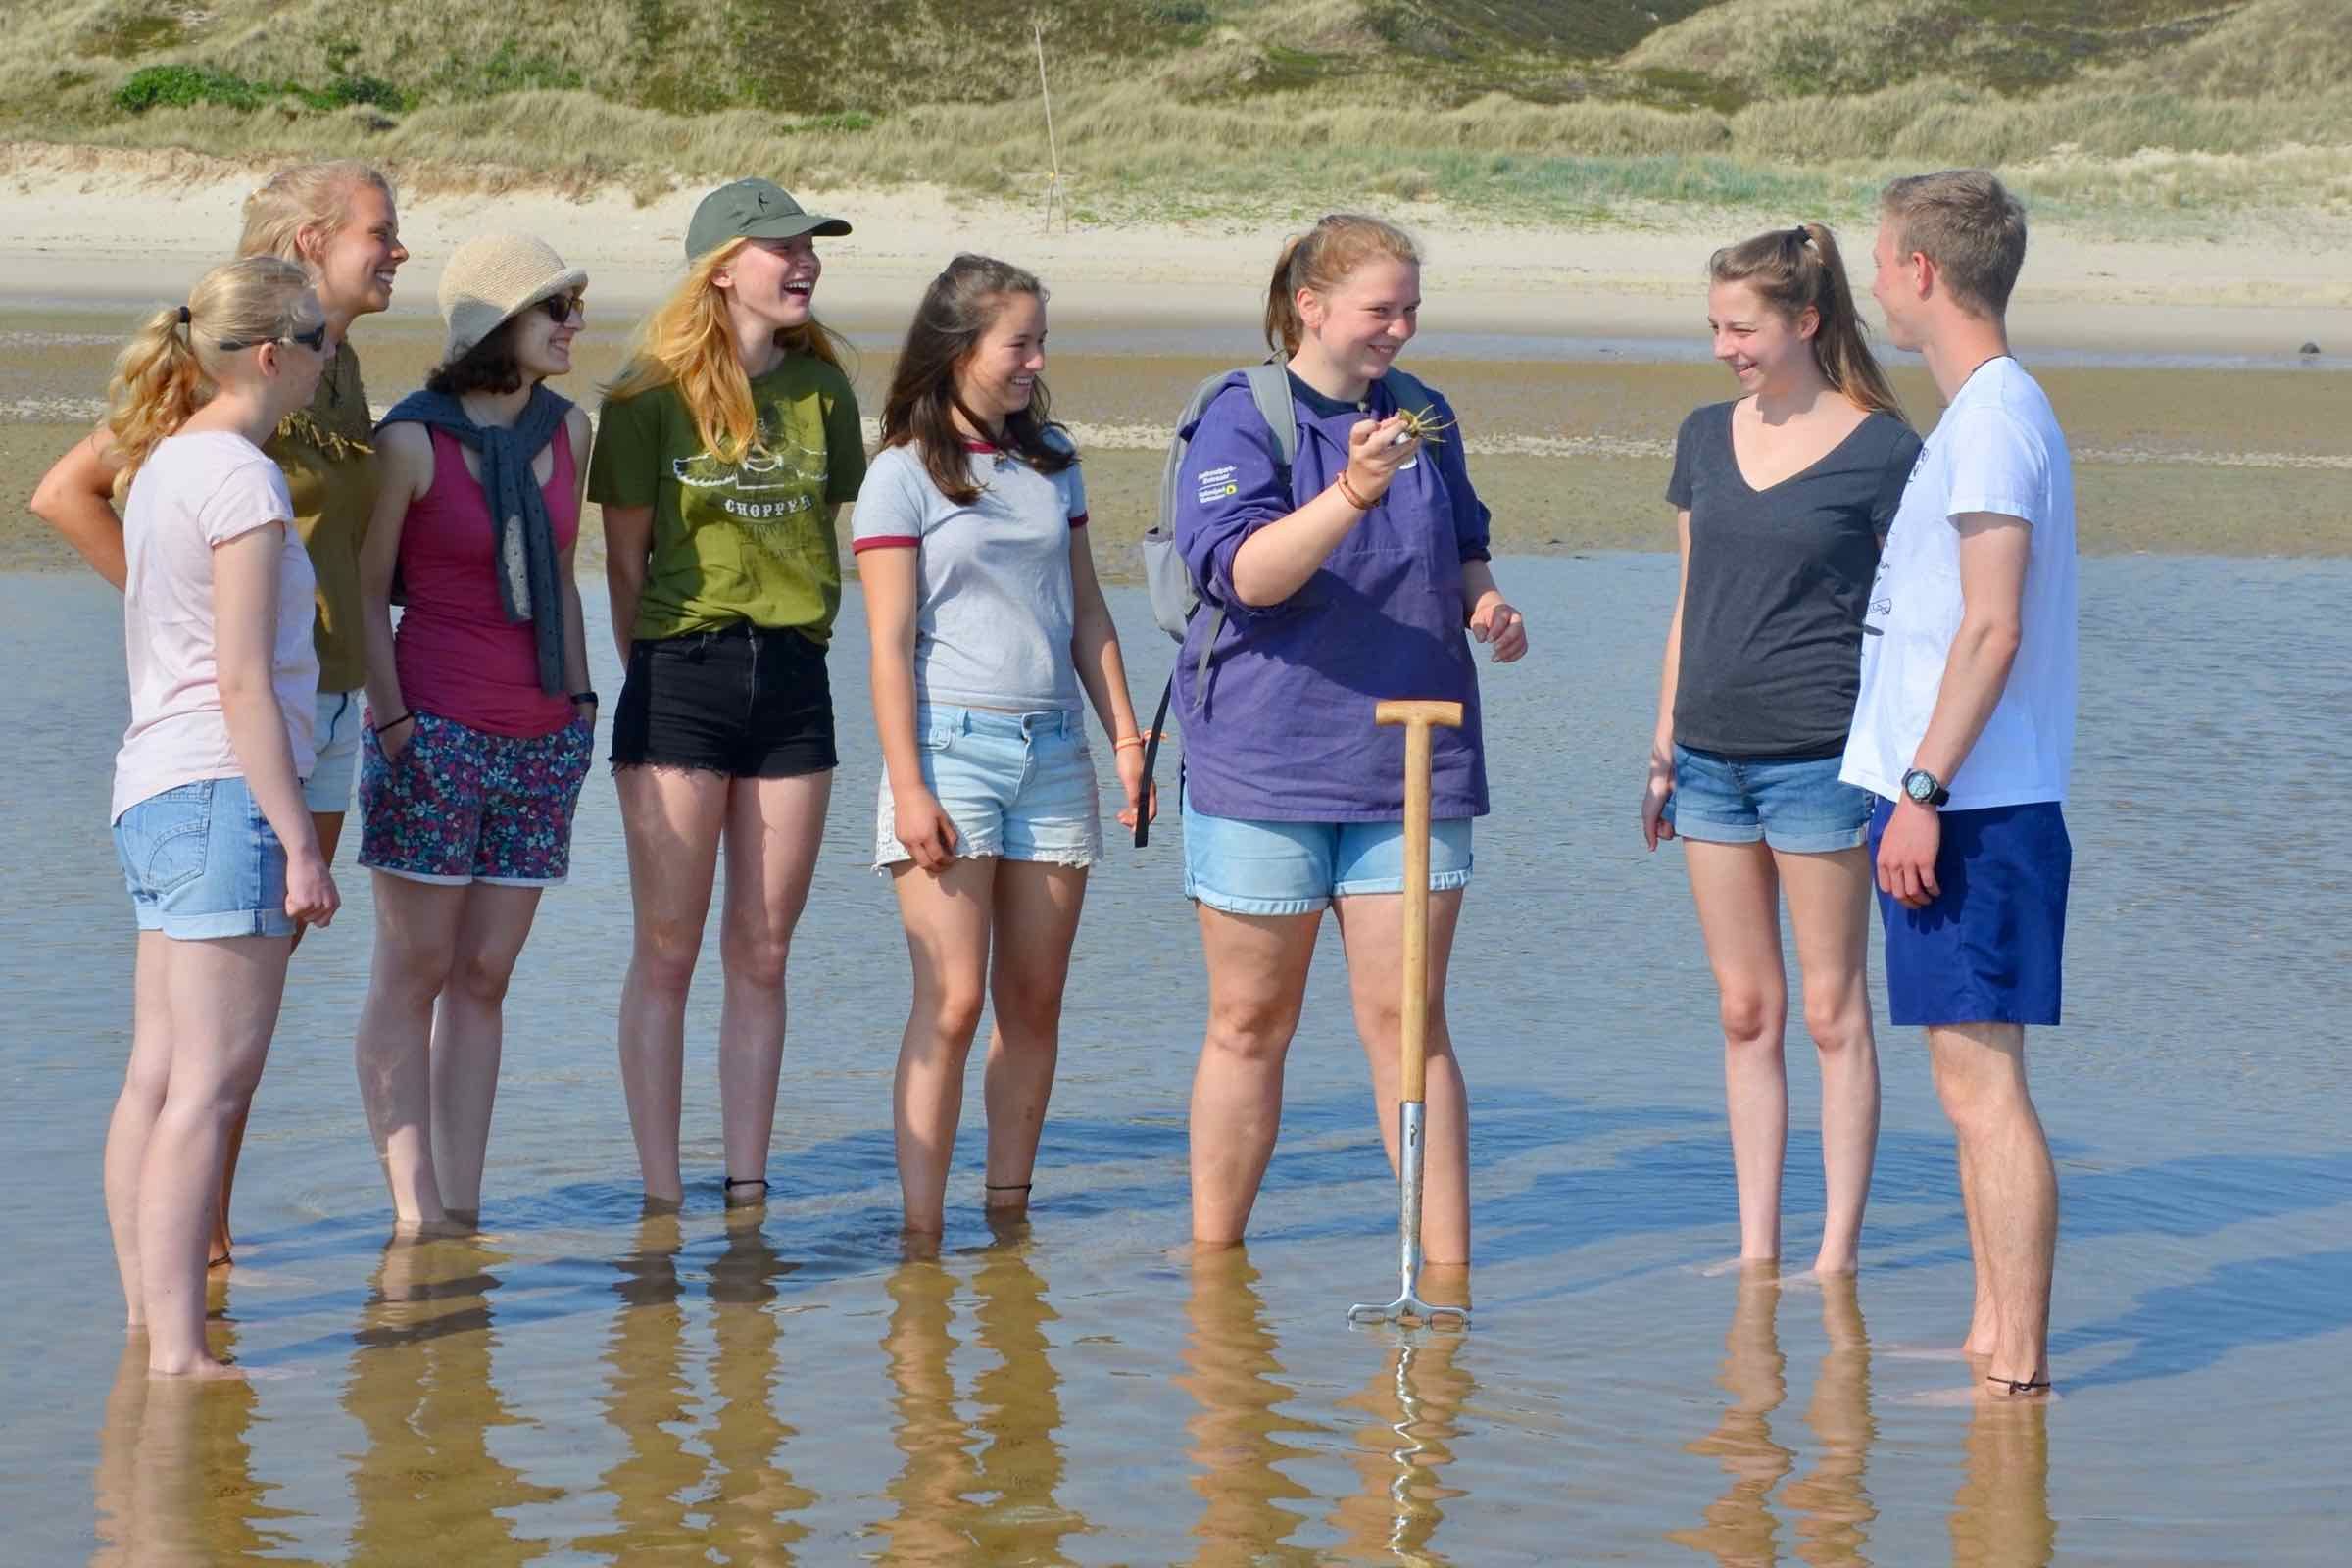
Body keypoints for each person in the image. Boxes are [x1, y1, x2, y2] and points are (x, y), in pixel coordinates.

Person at [30, 159, 408, 1268]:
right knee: (213, 1030)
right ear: (309, 243)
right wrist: (198, 635)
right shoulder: (231, 375)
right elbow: (65, 492)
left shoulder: (334, 374)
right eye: (380, 232)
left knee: (255, 996)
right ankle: (197, 1253)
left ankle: (205, 1244)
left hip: (327, 708)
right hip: (246, 726)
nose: (397, 251)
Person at [1172, 213, 1527, 1261]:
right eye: (1382, 309)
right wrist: (1352, 490)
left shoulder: (1424, 414)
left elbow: (1466, 547)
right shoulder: (1240, 417)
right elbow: (1244, 575)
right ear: (1312, 307)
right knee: (1249, 1024)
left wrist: (1489, 603)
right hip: (1264, 764)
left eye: (1412, 308)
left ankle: (1444, 1281)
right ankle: (1214, 1281)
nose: (1400, 329)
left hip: (1415, 760)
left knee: (1408, 1024)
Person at [1642, 223, 1920, 1275]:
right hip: (1708, 760)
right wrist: (1661, 747)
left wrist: (1910, 768)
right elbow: (1689, 599)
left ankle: (1833, 1256)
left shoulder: (1886, 449)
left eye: (1743, 327)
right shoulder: (1704, 436)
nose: (1724, 347)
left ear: (1807, 322)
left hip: (1822, 762)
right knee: (1745, 1008)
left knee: (1832, 1010)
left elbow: (1920, 620)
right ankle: (1757, 1250)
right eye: (1715, 326)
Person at [853, 255, 1152, 1234]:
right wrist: (908, 787)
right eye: (1019, 342)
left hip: (1056, 752)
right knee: (951, 1001)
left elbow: (1086, 608)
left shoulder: (1053, 459)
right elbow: (888, 648)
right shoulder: (900, 474)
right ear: (959, 349)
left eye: (1039, 339)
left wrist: (1126, 736)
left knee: (1034, 1004)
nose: (1036, 360)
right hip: (948, 753)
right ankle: (920, 1232)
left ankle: (1008, 1218)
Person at [589, 179, 868, 1206]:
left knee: (762, 948)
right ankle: (663, 1194)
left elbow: (832, 530)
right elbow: (623, 566)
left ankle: (746, 1185)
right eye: (781, 246)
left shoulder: (826, 390)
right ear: (722, 267)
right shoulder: (642, 395)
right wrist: (655, 682)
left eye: (812, 247)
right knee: (667, 949)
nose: (804, 263)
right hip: (679, 675)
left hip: (796, 677)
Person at [1845, 170, 2077, 1396]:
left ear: (1923, 271)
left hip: (1974, 804)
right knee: (1965, 1076)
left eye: (1882, 260)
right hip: (1954, 795)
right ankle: (1995, 1332)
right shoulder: (1984, 411)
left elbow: (1993, 629)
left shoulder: (1991, 417)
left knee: (1982, 1085)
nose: (1875, 282)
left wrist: (1924, 786)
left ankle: (2018, 1364)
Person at [98, 256, 341, 1374]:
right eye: (324, 344)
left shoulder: (161, 468)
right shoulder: (239, 478)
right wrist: (300, 841)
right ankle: (180, 1355)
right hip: (222, 791)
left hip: (153, 790)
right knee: (208, 1081)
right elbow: (243, 679)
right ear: (270, 355)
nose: (331, 365)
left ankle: (152, 1329)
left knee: (157, 1073)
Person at [351, 236, 598, 1230]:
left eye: (575, 305)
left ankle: (465, 1202)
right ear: (499, 323)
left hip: (543, 738)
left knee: (486, 976)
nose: (575, 324)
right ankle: (415, 1208)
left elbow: (566, 581)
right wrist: (395, 721)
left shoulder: (571, 429)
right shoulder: (409, 440)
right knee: (415, 969)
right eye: (556, 309)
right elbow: (368, 596)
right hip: (434, 731)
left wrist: (581, 710)